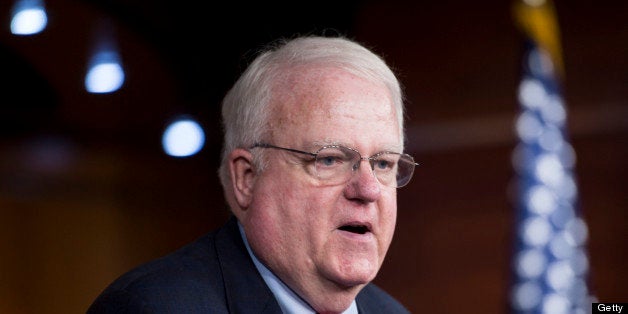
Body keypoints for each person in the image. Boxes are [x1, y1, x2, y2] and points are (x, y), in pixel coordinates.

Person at [88, 35, 417, 314]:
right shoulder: (152, 307)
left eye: (383, 164)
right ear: (246, 178)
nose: (368, 189)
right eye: (329, 160)